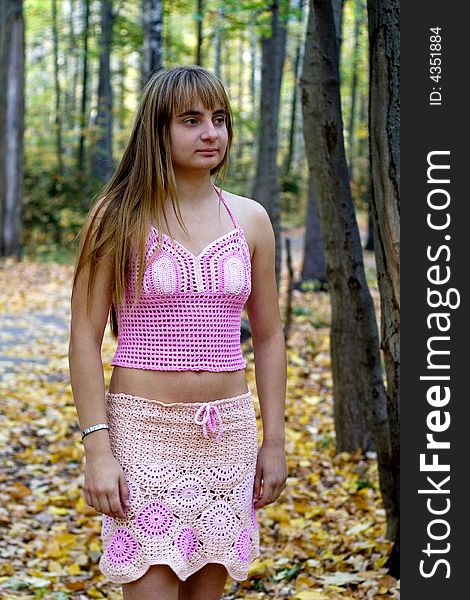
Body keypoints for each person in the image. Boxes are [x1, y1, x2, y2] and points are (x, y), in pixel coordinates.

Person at [68, 65, 287, 600]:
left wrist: (274, 442)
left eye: (219, 119)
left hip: (226, 438)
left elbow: (269, 336)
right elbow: (83, 335)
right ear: (158, 129)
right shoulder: (117, 217)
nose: (211, 132)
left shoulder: (251, 220)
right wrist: (97, 448)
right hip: (143, 436)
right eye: (191, 120)